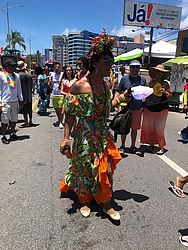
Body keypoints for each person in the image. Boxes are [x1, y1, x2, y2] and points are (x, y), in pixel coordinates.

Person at [59, 32, 129, 220]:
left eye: (111, 63)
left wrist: (122, 98)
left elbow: (106, 109)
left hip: (103, 135)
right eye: (106, 62)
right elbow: (70, 116)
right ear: (95, 63)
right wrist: (66, 137)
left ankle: (107, 204)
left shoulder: (107, 85)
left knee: (106, 169)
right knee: (84, 169)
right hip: (85, 136)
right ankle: (84, 201)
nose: (110, 66)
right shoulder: (79, 86)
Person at [115, 60, 147, 154]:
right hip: (125, 107)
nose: (135, 69)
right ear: (130, 68)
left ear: (139, 69)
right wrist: (116, 101)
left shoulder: (143, 80)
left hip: (137, 107)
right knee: (124, 127)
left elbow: (145, 92)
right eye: (133, 67)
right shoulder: (124, 78)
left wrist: (144, 100)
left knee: (135, 128)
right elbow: (118, 90)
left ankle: (133, 146)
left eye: (137, 67)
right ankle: (122, 145)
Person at [140, 64, 172, 155]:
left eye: (161, 73)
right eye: (157, 72)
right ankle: (151, 145)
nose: (159, 74)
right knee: (150, 127)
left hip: (162, 109)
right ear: (154, 73)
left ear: (162, 74)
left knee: (159, 129)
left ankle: (161, 147)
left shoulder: (165, 84)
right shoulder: (150, 83)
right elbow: (146, 95)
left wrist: (165, 92)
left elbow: (170, 97)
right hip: (149, 107)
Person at [0, 59, 23, 144]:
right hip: (5, 101)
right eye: (12, 66)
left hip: (14, 101)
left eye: (14, 66)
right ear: (7, 66)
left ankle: (12, 133)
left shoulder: (16, 76)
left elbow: (19, 89)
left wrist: (21, 99)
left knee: (14, 119)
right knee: (4, 120)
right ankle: (4, 136)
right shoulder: (1, 75)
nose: (14, 67)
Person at [17, 61, 33, 127]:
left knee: (24, 109)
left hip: (22, 94)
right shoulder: (29, 75)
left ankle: (26, 122)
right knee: (29, 108)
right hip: (29, 94)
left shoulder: (18, 75)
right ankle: (30, 121)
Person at [48, 62, 64, 128]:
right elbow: (50, 86)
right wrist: (50, 82)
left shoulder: (63, 74)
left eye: (58, 67)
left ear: (60, 68)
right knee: (57, 109)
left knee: (61, 109)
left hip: (61, 94)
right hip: (54, 94)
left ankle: (60, 122)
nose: (57, 68)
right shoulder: (52, 75)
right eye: (55, 67)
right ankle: (59, 120)